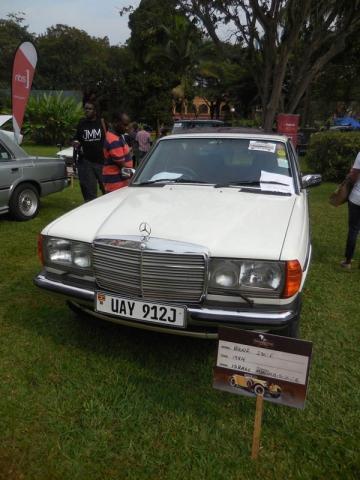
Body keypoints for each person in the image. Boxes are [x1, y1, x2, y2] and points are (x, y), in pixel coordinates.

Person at [73, 101, 106, 202]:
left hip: (102, 161)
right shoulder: (81, 122)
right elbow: (76, 138)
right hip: (86, 161)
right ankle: (92, 212)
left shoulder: (102, 122)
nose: (86, 111)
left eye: (89, 109)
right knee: (90, 193)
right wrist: (76, 142)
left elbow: (107, 138)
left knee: (107, 189)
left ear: (95, 111)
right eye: (85, 108)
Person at [102, 112, 133, 192]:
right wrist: (138, 176)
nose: (126, 128)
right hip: (116, 185)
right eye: (124, 125)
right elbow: (123, 168)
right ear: (116, 123)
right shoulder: (114, 141)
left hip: (120, 183)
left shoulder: (117, 136)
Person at [340, 152, 360, 269]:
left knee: (353, 229)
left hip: (357, 197)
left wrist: (350, 178)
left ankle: (348, 261)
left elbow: (354, 175)